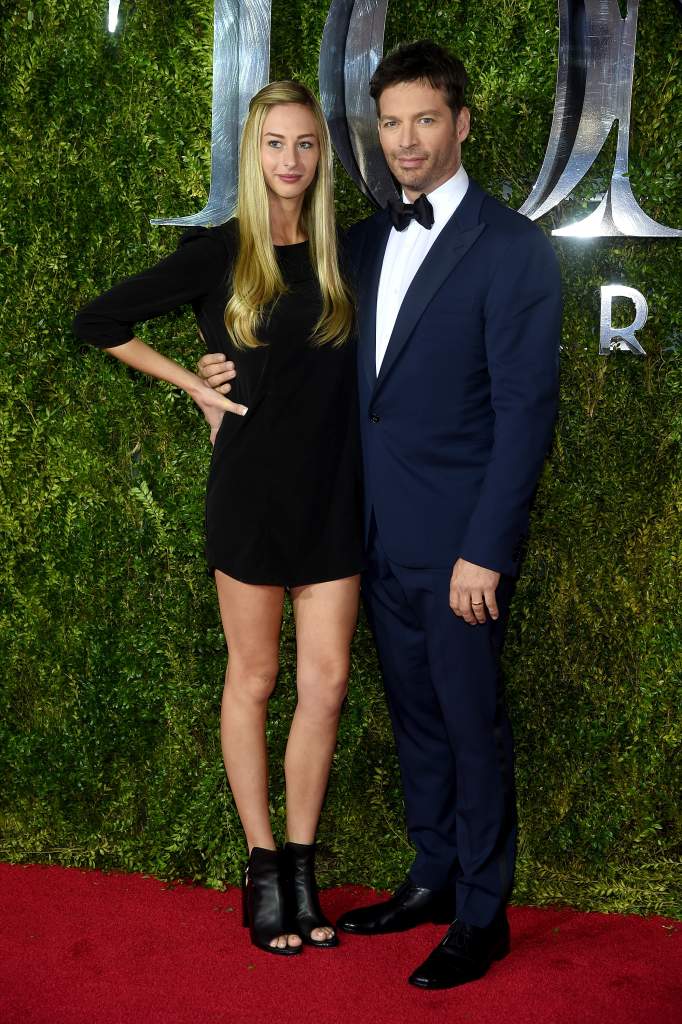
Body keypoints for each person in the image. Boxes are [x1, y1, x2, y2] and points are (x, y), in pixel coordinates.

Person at [199, 41, 562, 988]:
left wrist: (487, 551)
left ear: (462, 125)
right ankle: (433, 877)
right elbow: (290, 352)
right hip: (365, 541)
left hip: (459, 552)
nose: (405, 141)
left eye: (424, 120)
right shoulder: (354, 246)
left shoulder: (515, 250)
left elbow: (527, 416)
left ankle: (483, 916)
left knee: (472, 728)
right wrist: (214, 377)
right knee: (417, 723)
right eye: (390, 123)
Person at [73, 80, 363, 957]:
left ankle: (304, 869)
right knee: (256, 679)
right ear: (252, 153)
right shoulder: (220, 254)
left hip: (335, 494)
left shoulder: (347, 255)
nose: (290, 160)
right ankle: (263, 866)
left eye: (305, 144)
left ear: (321, 158)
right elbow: (99, 321)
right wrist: (196, 384)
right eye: (275, 143)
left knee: (329, 684)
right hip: (249, 493)